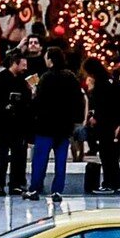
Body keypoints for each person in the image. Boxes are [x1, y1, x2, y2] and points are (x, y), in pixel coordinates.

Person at [26, 48, 84, 202]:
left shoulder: (46, 78)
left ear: (50, 60)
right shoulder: (71, 77)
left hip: (45, 126)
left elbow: (38, 102)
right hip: (64, 126)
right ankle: (57, 190)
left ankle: (35, 188)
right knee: (60, 161)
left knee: (40, 160)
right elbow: (78, 100)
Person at [85, 58, 120, 195]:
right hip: (114, 122)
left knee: (107, 155)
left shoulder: (101, 84)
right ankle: (115, 183)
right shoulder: (111, 81)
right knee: (111, 156)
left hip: (106, 124)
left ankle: (109, 183)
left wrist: (96, 118)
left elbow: (104, 106)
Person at [0, 53, 32, 195]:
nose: (25, 68)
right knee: (2, 156)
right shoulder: (1, 79)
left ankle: (16, 184)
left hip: (19, 124)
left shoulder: (22, 80)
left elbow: (26, 101)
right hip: (4, 124)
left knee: (19, 156)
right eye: (23, 65)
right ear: (15, 63)